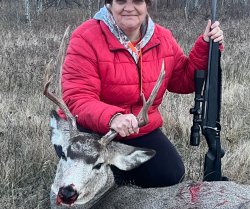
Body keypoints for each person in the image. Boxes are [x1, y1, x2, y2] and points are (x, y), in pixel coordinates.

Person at [61, 0, 224, 188]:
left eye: (137, 0)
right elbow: (78, 97)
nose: (129, 7)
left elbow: (183, 81)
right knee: (92, 185)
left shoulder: (162, 38)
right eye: (121, 1)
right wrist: (112, 118)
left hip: (138, 129)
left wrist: (206, 46)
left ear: (147, 4)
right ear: (109, 4)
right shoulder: (86, 37)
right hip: (92, 130)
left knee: (170, 175)